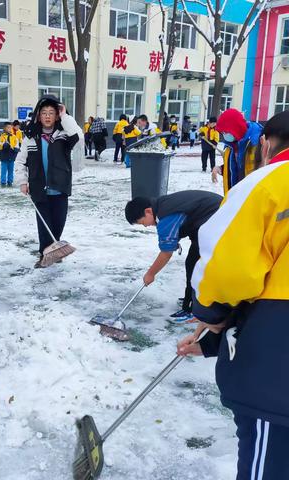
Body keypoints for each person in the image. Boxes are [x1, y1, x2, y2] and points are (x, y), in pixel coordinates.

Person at [177, 110, 289, 479]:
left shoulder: (271, 183)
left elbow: (229, 269)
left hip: (276, 373)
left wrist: (210, 315)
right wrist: (211, 344)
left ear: (267, 142)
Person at [125, 190, 222, 322]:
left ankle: (194, 309)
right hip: (209, 221)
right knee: (193, 264)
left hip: (216, 222)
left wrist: (150, 274)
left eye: (143, 222)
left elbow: (166, 253)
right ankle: (194, 299)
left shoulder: (166, 215)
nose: (146, 226)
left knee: (195, 266)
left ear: (148, 211)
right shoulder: (162, 206)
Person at [15, 95, 83, 268]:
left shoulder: (64, 135)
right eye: (44, 112)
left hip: (60, 187)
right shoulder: (30, 138)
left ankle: (54, 251)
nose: (47, 116)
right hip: (38, 188)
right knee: (44, 225)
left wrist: (65, 115)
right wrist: (23, 181)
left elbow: (79, 137)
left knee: (58, 223)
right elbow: (20, 162)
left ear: (57, 116)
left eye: (51, 113)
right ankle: (43, 255)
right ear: (38, 116)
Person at [213, 108, 262, 193]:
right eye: (222, 132)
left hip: (252, 196)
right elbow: (236, 167)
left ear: (235, 128)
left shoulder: (257, 142)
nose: (224, 135)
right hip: (236, 196)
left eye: (226, 131)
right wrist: (220, 168)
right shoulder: (230, 145)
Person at [0, 121, 19, 187]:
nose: (10, 129)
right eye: (8, 127)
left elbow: (17, 145)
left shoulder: (14, 137)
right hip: (4, 157)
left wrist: (15, 149)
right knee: (3, 170)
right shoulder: (1, 137)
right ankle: (3, 182)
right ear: (4, 128)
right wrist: (4, 145)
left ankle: (10, 182)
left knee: (11, 170)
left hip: (11, 156)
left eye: (10, 127)